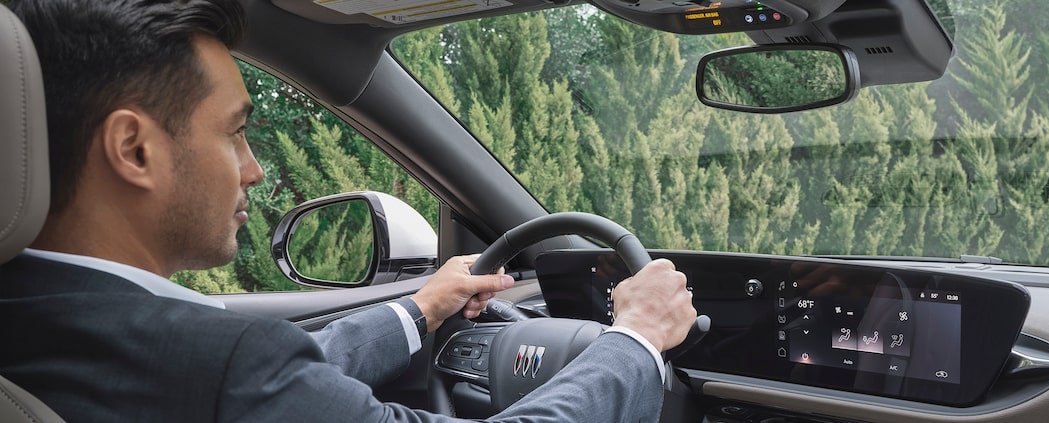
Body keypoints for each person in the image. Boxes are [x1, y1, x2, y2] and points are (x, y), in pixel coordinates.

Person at [0, 0, 698, 421]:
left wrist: (423, 306)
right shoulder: (217, 366)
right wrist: (634, 338)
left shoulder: (43, 319)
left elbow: (287, 385)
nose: (255, 168)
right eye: (236, 131)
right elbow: (258, 382)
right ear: (134, 148)